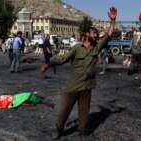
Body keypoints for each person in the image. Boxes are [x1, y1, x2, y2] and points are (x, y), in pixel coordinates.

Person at [41, 7, 117, 140]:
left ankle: (82, 131)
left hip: (87, 87)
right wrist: (50, 63)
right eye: (94, 33)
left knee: (84, 113)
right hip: (73, 85)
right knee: (65, 110)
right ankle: (59, 129)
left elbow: (109, 34)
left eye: (97, 33)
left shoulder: (96, 47)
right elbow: (63, 59)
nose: (96, 35)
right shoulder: (77, 48)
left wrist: (113, 20)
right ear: (87, 34)